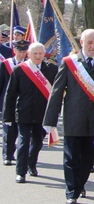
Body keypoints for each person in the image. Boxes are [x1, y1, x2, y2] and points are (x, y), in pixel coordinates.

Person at [43, 29, 94, 204]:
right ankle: (72, 192)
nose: (93, 46)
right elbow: (56, 93)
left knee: (90, 159)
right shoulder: (69, 63)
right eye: (90, 42)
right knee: (71, 158)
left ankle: (79, 184)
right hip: (74, 119)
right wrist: (50, 121)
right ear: (82, 43)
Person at [2, 42, 57, 183]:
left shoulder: (51, 70)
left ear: (44, 54)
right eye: (35, 53)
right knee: (23, 142)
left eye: (40, 53)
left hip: (42, 114)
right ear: (29, 54)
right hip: (23, 112)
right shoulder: (19, 70)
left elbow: (57, 93)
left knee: (38, 142)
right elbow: (10, 94)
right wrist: (7, 116)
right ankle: (20, 172)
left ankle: (31, 164)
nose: (38, 56)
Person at [1, 39, 29, 165]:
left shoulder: (29, 66)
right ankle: (7, 154)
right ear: (14, 50)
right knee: (8, 128)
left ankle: (14, 153)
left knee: (18, 130)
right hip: (7, 102)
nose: (22, 54)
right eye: (19, 51)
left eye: (24, 51)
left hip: (23, 103)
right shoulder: (5, 64)